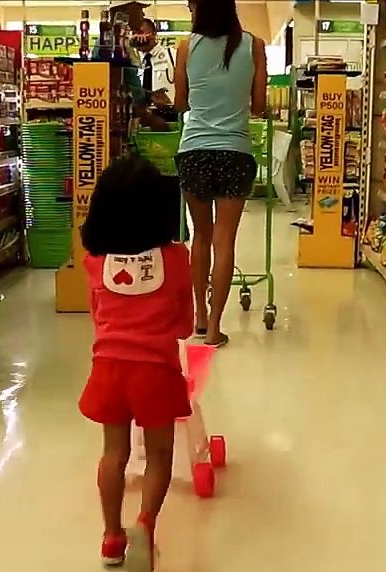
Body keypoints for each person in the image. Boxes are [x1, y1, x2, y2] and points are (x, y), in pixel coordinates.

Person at [79, 155, 194, 572]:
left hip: (108, 368)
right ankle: (145, 522)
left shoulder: (96, 263)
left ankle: (111, 537)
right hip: (156, 373)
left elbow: (97, 316)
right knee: (159, 454)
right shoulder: (177, 259)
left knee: (114, 453)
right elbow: (184, 324)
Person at [174, 0, 267, 348]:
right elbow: (258, 106)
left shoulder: (186, 47)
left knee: (200, 236)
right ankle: (214, 328)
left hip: (194, 149)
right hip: (235, 151)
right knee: (224, 240)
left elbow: (181, 103)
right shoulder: (254, 45)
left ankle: (198, 318)